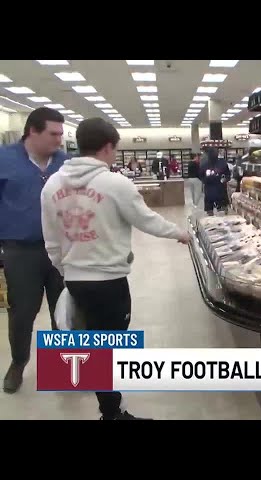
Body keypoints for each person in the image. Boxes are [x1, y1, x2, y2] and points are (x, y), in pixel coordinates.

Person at [40, 117, 189, 420]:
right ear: (108, 147)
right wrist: (180, 233)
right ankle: (111, 413)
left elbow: (51, 240)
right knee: (109, 347)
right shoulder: (115, 183)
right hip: (109, 280)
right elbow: (145, 219)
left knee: (91, 341)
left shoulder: (52, 184)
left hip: (75, 279)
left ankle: (107, 405)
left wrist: (66, 270)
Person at [0, 107, 70, 394]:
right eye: (53, 134)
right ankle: (18, 362)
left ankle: (65, 366)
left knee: (64, 311)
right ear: (32, 131)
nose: (59, 139)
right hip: (20, 250)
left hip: (63, 251)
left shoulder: (67, 163)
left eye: (61, 134)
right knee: (22, 311)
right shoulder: (4, 160)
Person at [199, 147, 231, 214]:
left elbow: (228, 174)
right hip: (212, 188)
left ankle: (219, 213)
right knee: (211, 210)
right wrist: (205, 180)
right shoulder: (205, 164)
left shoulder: (222, 163)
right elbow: (201, 176)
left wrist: (225, 179)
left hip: (218, 189)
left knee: (221, 209)